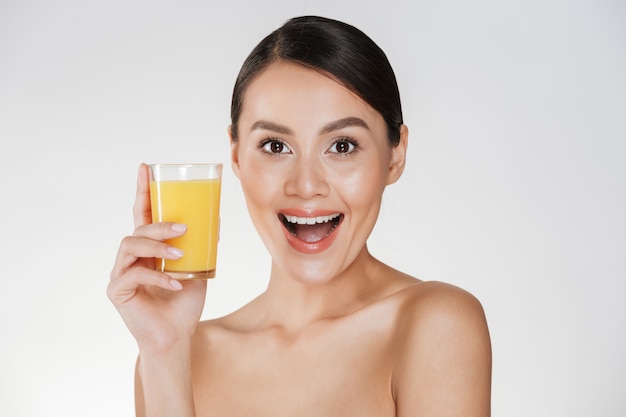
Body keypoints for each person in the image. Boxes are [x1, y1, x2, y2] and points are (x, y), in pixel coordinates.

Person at [108, 15, 492, 417]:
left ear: (395, 156)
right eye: (275, 146)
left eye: (342, 146)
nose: (306, 185)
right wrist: (166, 354)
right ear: (236, 156)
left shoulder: (435, 325)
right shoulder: (175, 353)